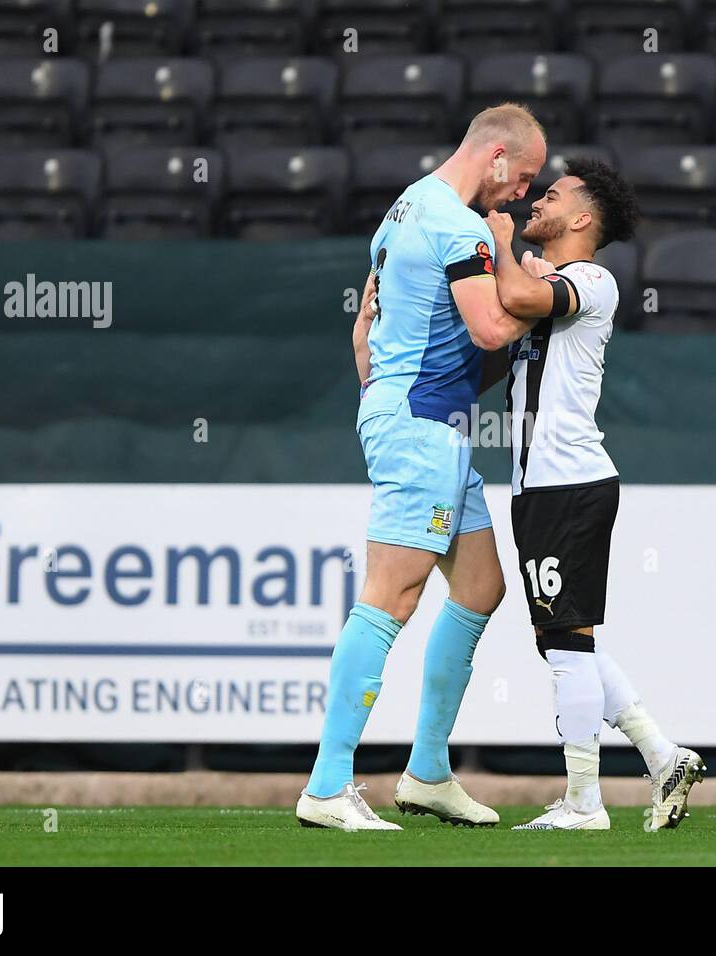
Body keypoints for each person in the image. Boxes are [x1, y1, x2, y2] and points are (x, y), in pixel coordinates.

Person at [297, 104, 547, 830]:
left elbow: (377, 332)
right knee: (389, 598)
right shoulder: (461, 226)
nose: (521, 197)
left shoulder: (406, 206)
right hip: (421, 430)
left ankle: (429, 772)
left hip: (420, 418)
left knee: (479, 586)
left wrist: (370, 373)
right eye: (522, 178)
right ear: (496, 156)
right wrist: (545, 286)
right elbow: (494, 326)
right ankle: (327, 785)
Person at [481, 157, 705, 831]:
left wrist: (496, 242)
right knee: (562, 639)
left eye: (550, 196)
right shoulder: (544, 275)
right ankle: (663, 756)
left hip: (568, 481)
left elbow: (519, 303)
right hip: (540, 487)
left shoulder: (592, 280)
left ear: (582, 218)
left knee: (568, 643)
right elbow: (499, 332)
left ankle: (584, 801)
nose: (535, 203)